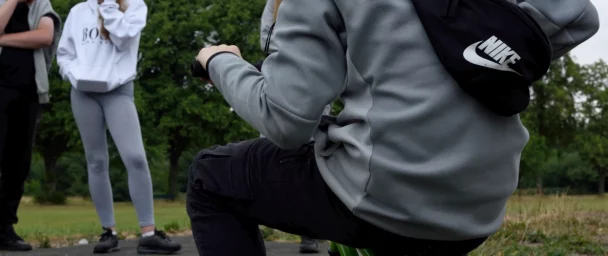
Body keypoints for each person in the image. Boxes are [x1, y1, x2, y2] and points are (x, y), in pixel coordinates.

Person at [187, 0, 600, 255]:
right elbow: (580, 15)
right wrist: (493, 57)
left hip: (390, 200)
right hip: (481, 205)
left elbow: (285, 121)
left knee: (212, 176)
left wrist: (218, 60)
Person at [56, 0, 182, 254]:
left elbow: (123, 37)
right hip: (83, 92)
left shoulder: (135, 6)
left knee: (135, 158)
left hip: (118, 90)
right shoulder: (78, 11)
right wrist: (73, 74)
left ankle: (148, 234)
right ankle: (108, 232)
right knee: (96, 161)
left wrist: (110, 8)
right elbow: (64, 53)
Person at [0, 0, 61, 255]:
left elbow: (45, 36)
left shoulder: (41, 5)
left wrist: (0, 41)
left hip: (29, 92)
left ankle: (6, 230)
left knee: (18, 165)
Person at [258, 0, 323, 253]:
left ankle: (308, 232)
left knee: (312, 157)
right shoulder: (272, 4)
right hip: (281, 78)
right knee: (268, 149)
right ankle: (262, 216)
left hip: (316, 80)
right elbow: (266, 39)